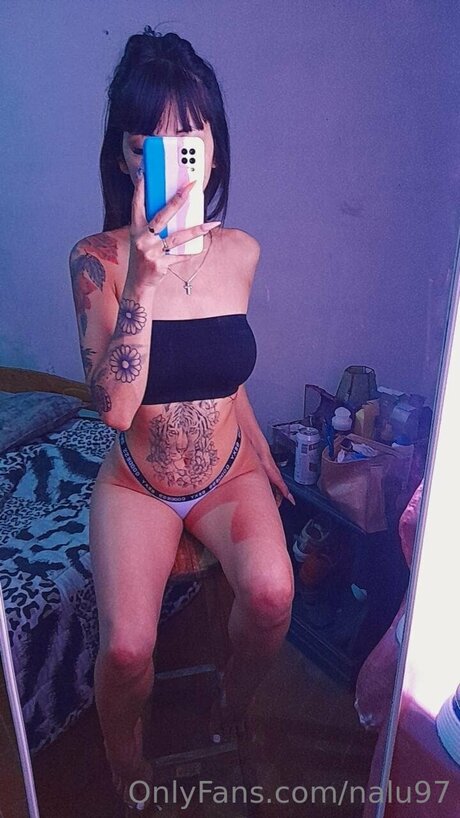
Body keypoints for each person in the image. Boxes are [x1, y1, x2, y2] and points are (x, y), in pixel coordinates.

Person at [69, 25, 295, 813]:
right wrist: (142, 281)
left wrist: (259, 445)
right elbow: (113, 408)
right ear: (123, 160)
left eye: (187, 144)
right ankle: (122, 751)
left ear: (213, 152)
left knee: (272, 597)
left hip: (227, 474)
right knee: (129, 651)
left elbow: (221, 370)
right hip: (138, 482)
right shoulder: (96, 260)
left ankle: (235, 700)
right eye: (147, 148)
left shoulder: (243, 253)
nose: (169, 164)